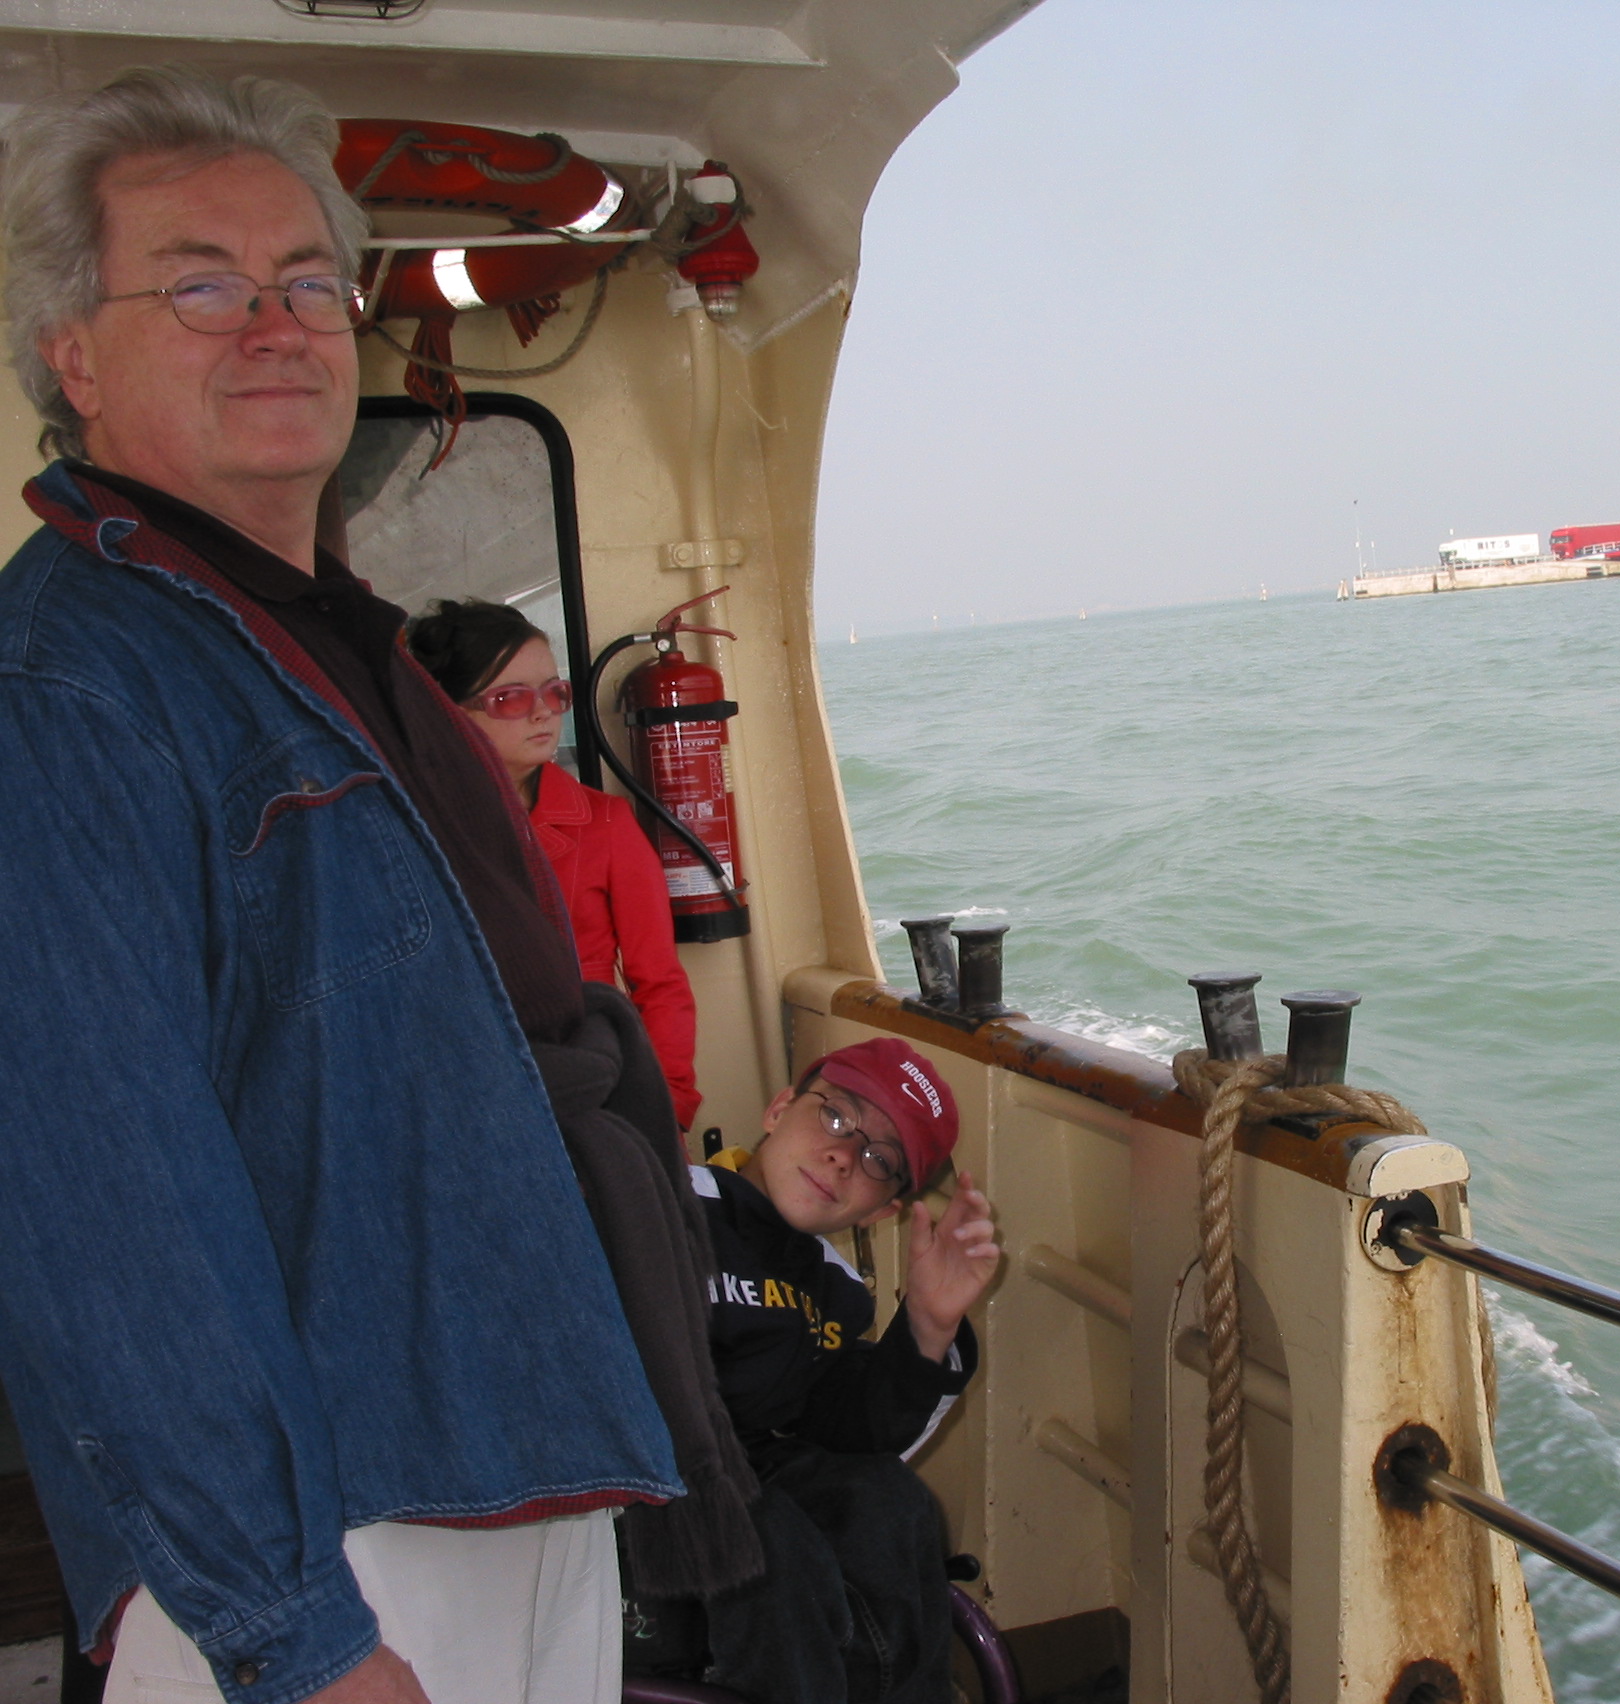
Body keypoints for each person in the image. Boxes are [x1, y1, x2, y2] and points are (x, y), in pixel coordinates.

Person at [0, 68, 690, 1704]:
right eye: (201, 284)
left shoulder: (325, 634)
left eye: (307, 281)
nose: (275, 322)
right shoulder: (73, 686)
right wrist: (288, 1632)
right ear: (72, 357)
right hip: (330, 1527)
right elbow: (105, 1199)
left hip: (505, 1445)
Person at [688, 1039, 998, 1704]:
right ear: (778, 1109)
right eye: (835, 1118)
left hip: (760, 1485)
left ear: (883, 1211)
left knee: (896, 1504)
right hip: (651, 1481)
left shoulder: (837, 1294)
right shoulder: (668, 1205)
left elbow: (845, 1432)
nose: (843, 1156)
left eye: (879, 1159)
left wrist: (925, 1328)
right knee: (767, 1538)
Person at [408, 598, 703, 1131]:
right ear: (447, 712)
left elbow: (659, 982)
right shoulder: (411, 831)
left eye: (554, 691)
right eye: (509, 698)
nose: (542, 711)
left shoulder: (607, 825)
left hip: (596, 1086)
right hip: (468, 1092)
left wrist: (665, 1107)